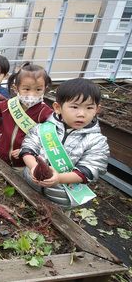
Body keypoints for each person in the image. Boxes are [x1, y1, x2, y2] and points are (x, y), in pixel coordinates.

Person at [20, 78, 109, 207]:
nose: (82, 114)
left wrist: (59, 179)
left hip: (61, 199)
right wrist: (33, 167)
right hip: (29, 186)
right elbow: (28, 148)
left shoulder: (97, 141)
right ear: (57, 107)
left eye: (89, 108)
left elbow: (90, 170)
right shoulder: (43, 128)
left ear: (97, 110)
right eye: (74, 107)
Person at [0, 63, 53, 167]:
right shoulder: (7, 105)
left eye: (38, 89)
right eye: (26, 89)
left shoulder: (46, 113)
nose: (32, 94)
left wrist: (27, 150)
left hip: (24, 165)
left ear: (45, 88)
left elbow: (49, 142)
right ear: (16, 88)